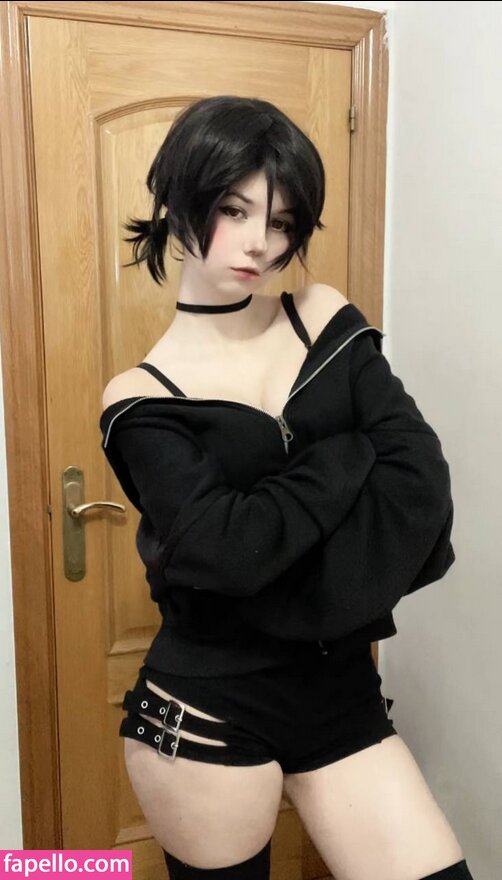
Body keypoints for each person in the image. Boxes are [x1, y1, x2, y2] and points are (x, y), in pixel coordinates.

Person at [100, 96, 473, 880]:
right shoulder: (139, 397)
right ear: (181, 197)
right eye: (234, 209)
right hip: (205, 711)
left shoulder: (322, 318)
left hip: (340, 692)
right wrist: (346, 459)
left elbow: (420, 487)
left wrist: (274, 560)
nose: (259, 243)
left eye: (281, 220)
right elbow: (225, 551)